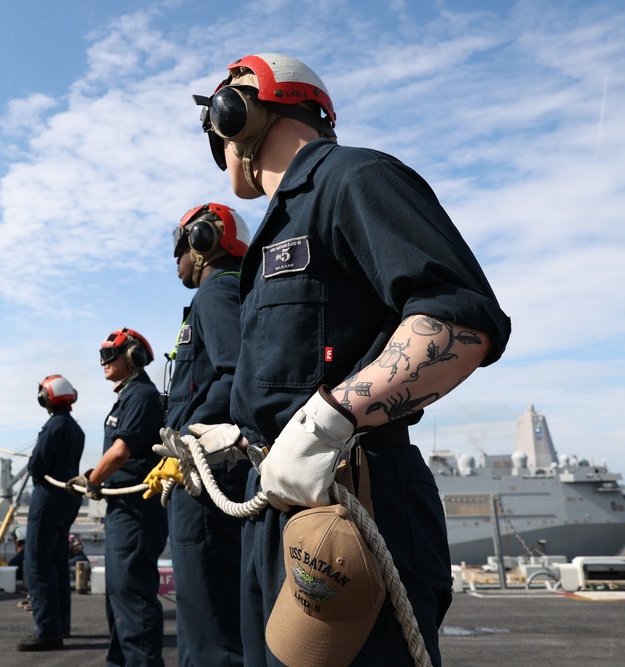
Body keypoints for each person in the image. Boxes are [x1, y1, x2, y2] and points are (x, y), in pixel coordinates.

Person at [184, 53, 511, 666]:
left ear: (237, 112)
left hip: (355, 504)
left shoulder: (355, 180)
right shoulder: (274, 235)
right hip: (280, 511)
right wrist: (246, 431)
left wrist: (332, 417)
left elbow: (461, 320)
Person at [162, 202, 252, 667]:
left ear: (202, 240)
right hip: (212, 470)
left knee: (208, 623)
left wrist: (187, 438)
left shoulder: (215, 294)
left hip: (205, 474)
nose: (175, 257)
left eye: (179, 245)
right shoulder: (230, 291)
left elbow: (233, 372)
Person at [67, 328, 168, 667]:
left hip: (137, 511)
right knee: (119, 595)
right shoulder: (128, 396)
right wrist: (94, 479)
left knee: (132, 594)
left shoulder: (141, 396)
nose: (102, 362)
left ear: (133, 357)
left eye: (109, 354)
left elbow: (121, 452)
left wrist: (93, 479)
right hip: (122, 508)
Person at [17, 374, 85, 652]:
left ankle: (47, 630)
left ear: (47, 397)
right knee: (57, 563)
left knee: (37, 564)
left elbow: (37, 468)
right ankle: (61, 625)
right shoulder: (75, 428)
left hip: (47, 500)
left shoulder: (53, 426)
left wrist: (35, 460)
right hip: (68, 499)